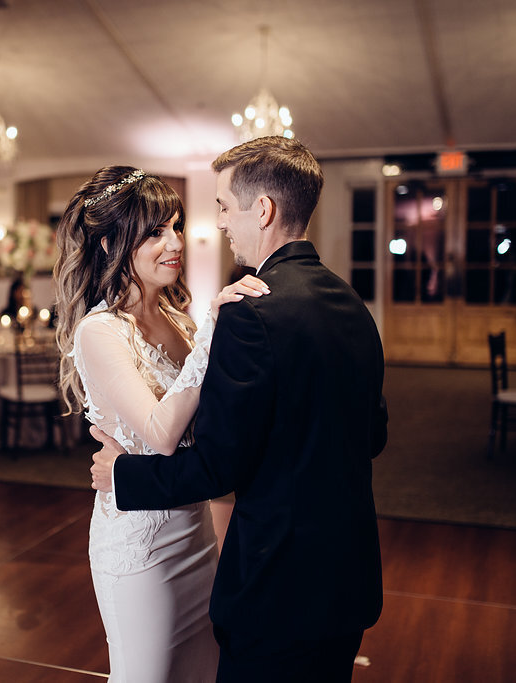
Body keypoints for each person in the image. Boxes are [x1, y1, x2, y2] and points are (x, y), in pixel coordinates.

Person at [90, 137, 389, 682]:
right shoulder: (351, 303)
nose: (219, 224)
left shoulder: (251, 313)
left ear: (265, 210)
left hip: (278, 581)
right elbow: (374, 433)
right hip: (348, 574)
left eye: (224, 206)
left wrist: (124, 475)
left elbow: (220, 466)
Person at [55, 165, 269, 682]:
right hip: (142, 550)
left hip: (196, 535)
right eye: (155, 232)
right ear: (109, 243)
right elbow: (160, 432)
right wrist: (216, 329)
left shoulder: (178, 318)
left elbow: (210, 417)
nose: (175, 242)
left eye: (175, 226)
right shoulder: (100, 332)